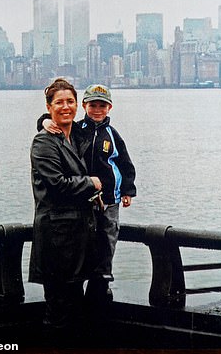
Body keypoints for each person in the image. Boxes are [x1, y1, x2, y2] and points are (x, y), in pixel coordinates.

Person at [38, 84, 136, 305]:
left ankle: (103, 278)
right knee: (87, 241)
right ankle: (86, 277)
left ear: (109, 108)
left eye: (102, 106)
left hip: (109, 198)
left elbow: (125, 164)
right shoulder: (77, 128)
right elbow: (54, 119)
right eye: (93, 105)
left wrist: (128, 190)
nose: (97, 110)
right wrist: (43, 121)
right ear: (84, 106)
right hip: (86, 197)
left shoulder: (112, 134)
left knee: (108, 235)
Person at [28, 78, 102, 333]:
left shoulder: (75, 136)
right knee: (58, 306)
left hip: (78, 235)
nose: (66, 106)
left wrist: (42, 119)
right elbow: (58, 185)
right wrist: (91, 183)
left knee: (75, 302)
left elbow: (99, 125)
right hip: (56, 237)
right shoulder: (43, 142)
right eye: (59, 102)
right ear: (49, 106)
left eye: (70, 101)